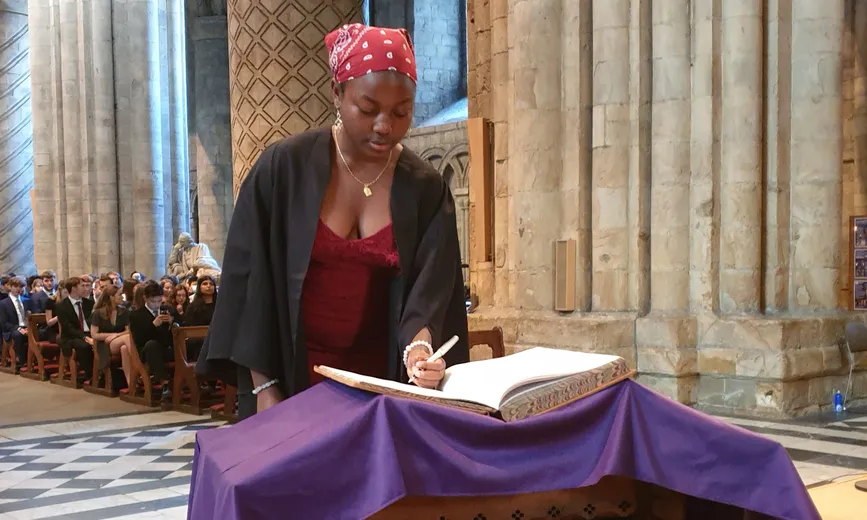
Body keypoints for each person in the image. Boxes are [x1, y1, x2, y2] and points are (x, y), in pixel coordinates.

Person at [196, 23, 469, 419]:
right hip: (290, 380)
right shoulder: (283, 169)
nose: (384, 126)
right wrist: (267, 393)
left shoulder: (424, 188)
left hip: (382, 389)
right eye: (368, 108)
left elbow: (430, 290)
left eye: (401, 112)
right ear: (337, 94)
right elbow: (251, 286)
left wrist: (420, 353)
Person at [129, 280, 174, 400]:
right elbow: (138, 339)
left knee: (190, 343)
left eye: (159, 301)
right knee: (151, 345)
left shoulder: (168, 310)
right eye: (153, 301)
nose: (156, 304)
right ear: (145, 298)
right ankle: (165, 383)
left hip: (167, 348)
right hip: (147, 351)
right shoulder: (136, 315)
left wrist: (172, 324)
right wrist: (153, 325)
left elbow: (181, 327)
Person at [90, 285, 132, 387]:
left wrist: (116, 336)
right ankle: (140, 363)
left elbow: (129, 331)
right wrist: (112, 335)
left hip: (118, 341)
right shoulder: (98, 313)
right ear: (111, 297)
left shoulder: (124, 312)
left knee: (124, 348)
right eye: (119, 295)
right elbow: (94, 335)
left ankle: (131, 383)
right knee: (127, 339)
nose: (122, 297)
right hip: (104, 344)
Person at [54, 277, 95, 382]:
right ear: (73, 288)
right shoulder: (61, 306)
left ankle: (103, 372)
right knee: (84, 346)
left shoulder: (89, 303)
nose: (85, 288)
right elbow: (68, 328)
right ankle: (91, 375)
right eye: (82, 286)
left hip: (90, 333)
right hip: (71, 337)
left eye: (86, 286)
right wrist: (85, 337)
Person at [0, 276, 35, 370]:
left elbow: (32, 317)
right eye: (15, 286)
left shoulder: (26, 300)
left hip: (27, 327)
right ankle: (22, 361)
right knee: (18, 335)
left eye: (21, 287)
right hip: (12, 329)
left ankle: (35, 359)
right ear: (10, 287)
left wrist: (29, 328)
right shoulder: (3, 303)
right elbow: (4, 323)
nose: (18, 289)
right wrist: (19, 328)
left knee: (40, 333)